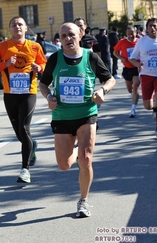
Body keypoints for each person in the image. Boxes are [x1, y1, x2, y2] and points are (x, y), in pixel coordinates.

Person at [39, 22, 116, 218]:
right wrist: (49, 98)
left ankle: (83, 201)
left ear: (80, 35)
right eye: (63, 36)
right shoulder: (55, 58)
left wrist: (102, 90)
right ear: (60, 39)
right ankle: (75, 151)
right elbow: (43, 84)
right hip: (62, 116)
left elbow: (110, 79)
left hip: (86, 113)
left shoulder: (90, 57)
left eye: (71, 35)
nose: (67, 39)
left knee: (86, 159)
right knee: (64, 165)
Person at [0, 16, 47, 183]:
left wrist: (39, 67)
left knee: (24, 127)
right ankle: (31, 145)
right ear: (9, 29)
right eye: (14, 25)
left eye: (20, 24)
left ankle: (25, 169)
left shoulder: (35, 46)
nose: (17, 27)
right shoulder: (2, 47)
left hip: (28, 92)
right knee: (19, 132)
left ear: (26, 28)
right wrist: (4, 64)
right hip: (10, 94)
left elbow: (45, 65)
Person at [113, 26, 140, 117]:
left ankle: (133, 109)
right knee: (130, 90)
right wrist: (121, 58)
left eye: (132, 33)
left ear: (136, 32)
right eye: (128, 34)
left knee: (135, 86)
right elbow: (115, 52)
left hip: (137, 68)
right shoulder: (122, 42)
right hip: (127, 68)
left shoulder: (139, 42)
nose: (130, 36)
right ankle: (134, 96)